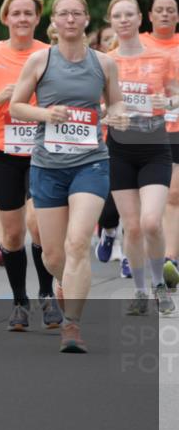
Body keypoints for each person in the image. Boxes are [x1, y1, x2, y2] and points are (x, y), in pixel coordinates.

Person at [10, 0, 127, 352]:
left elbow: (116, 102)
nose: (71, 19)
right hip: (48, 166)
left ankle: (72, 326)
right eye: (64, 14)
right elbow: (16, 107)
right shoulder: (39, 61)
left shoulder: (104, 63)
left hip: (91, 162)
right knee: (53, 255)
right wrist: (46, 114)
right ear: (55, 23)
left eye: (77, 13)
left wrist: (117, 114)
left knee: (78, 242)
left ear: (87, 20)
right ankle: (67, 282)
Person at [0, 0, 61, 332]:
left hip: (43, 150)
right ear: (5, 18)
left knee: (39, 224)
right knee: (12, 232)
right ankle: (20, 300)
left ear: (38, 19)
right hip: (1, 150)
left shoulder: (51, 54)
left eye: (28, 13)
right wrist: (0, 97)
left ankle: (47, 293)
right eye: (15, 13)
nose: (22, 19)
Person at [104, 0, 177, 314]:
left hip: (155, 150)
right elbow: (98, 104)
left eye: (128, 15)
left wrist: (170, 103)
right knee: (131, 227)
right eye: (117, 16)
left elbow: (175, 96)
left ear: (139, 19)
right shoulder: (106, 60)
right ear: (111, 21)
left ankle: (160, 284)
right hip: (120, 151)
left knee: (150, 222)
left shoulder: (160, 58)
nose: (123, 20)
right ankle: (140, 290)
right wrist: (108, 113)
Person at [139, 0, 179, 289]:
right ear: (150, 15)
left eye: (171, 10)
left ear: (177, 16)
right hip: (142, 129)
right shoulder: (137, 44)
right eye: (160, 10)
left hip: (175, 126)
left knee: (173, 194)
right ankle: (117, 232)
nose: (165, 14)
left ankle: (170, 259)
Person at [91, 24, 124, 264]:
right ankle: (109, 230)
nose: (113, 39)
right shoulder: (96, 64)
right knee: (109, 203)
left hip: (134, 139)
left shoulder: (141, 62)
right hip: (97, 140)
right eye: (107, 38)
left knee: (137, 206)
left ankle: (131, 258)